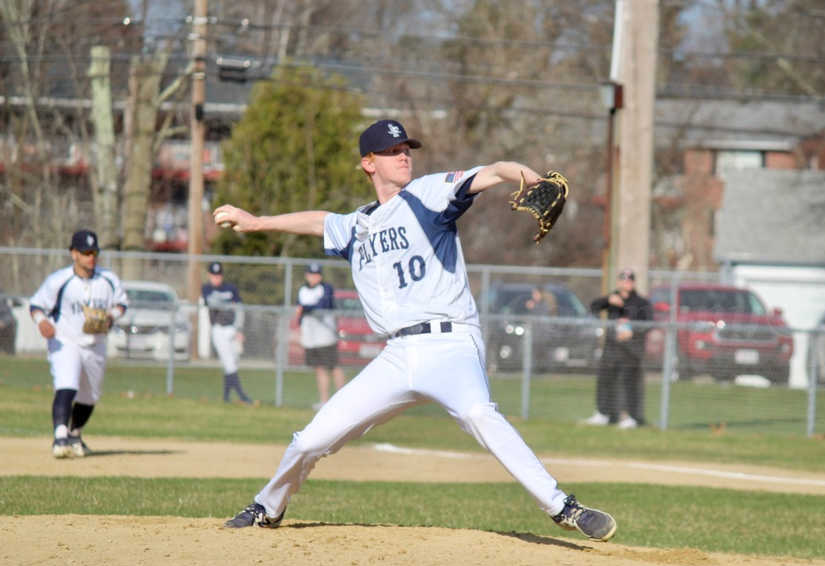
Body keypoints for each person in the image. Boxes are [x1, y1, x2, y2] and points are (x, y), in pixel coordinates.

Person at [213, 118, 617, 541]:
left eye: (406, 148)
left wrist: (530, 178)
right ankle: (268, 506)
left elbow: (495, 170)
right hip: (396, 354)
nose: (403, 155)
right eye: (391, 151)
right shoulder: (358, 224)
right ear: (368, 164)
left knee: (480, 414)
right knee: (311, 439)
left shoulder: (427, 194)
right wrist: (257, 222)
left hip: (450, 343)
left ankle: (562, 507)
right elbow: (320, 221)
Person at [28, 229, 128, 458]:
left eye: (94, 252)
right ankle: (60, 436)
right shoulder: (60, 280)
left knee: (90, 395)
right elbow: (36, 305)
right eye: (85, 252)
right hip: (65, 341)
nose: (91, 257)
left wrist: (111, 316)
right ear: (74, 253)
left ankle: (74, 434)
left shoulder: (108, 280)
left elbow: (122, 303)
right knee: (68, 384)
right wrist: (42, 321)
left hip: (96, 343)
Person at [582, 268, 653, 428]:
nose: (625, 283)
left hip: (631, 351)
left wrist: (632, 331)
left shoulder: (641, 303)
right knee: (605, 381)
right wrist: (608, 299)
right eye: (623, 280)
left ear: (633, 283)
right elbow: (593, 307)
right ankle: (603, 414)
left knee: (628, 385)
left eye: (629, 280)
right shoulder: (612, 299)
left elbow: (648, 323)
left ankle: (629, 417)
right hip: (611, 349)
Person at [201, 261, 253, 404]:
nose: (216, 278)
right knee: (229, 362)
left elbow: (239, 308)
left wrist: (239, 329)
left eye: (218, 275)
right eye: (213, 275)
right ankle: (242, 395)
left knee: (233, 362)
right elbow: (210, 303)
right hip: (218, 329)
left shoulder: (231, 288)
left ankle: (226, 397)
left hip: (232, 329)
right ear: (209, 275)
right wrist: (225, 303)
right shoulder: (206, 288)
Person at [296, 263, 345, 409]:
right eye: (311, 274)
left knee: (334, 366)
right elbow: (299, 310)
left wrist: (306, 308)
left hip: (325, 335)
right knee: (319, 368)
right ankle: (324, 401)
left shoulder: (326, 288)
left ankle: (343, 400)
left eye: (316, 274)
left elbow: (322, 305)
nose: (313, 277)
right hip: (310, 336)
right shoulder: (302, 290)